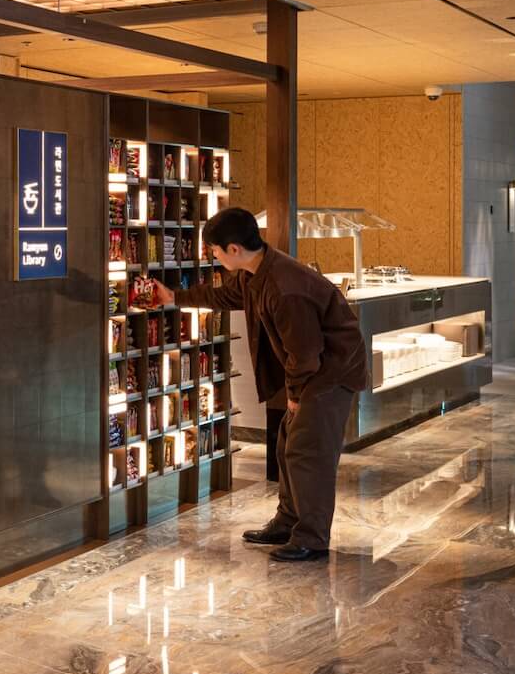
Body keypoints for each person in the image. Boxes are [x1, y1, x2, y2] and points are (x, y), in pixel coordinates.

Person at [151, 207, 368, 561]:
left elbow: (307, 354)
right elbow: (224, 297)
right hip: (315, 369)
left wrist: (296, 396)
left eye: (215, 251)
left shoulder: (284, 287)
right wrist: (175, 298)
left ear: (234, 249)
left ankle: (311, 538)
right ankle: (288, 522)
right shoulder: (256, 273)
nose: (214, 257)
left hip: (331, 372)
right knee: (287, 444)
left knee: (306, 451)